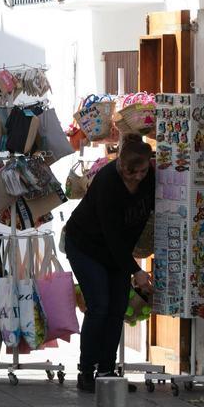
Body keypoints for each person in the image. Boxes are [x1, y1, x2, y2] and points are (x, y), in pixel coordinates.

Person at [63, 134, 156, 393]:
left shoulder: (150, 177)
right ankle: (86, 371)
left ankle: (106, 370)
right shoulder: (107, 182)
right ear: (122, 166)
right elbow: (111, 235)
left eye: (143, 171)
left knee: (117, 307)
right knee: (100, 305)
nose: (138, 177)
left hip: (117, 251)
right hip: (86, 246)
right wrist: (136, 270)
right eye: (132, 173)